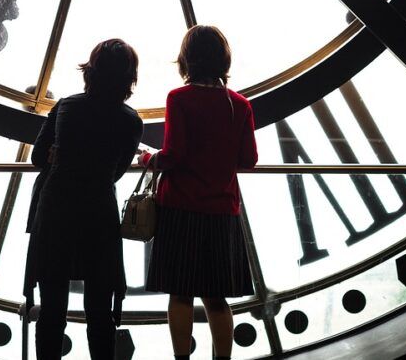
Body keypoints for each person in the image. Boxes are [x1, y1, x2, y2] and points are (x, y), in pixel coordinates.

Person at [139, 25, 258, 360]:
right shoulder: (239, 105)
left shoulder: (179, 99)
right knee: (216, 298)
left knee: (180, 296)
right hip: (222, 209)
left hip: (180, 208)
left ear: (186, 59)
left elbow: (173, 155)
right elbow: (248, 160)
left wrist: (148, 159)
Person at [24, 39, 144, 360]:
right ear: (128, 78)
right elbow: (116, 172)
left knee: (51, 307)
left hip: (56, 208)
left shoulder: (65, 106)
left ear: (90, 71)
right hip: (98, 212)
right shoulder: (131, 121)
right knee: (100, 308)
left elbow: (38, 157)